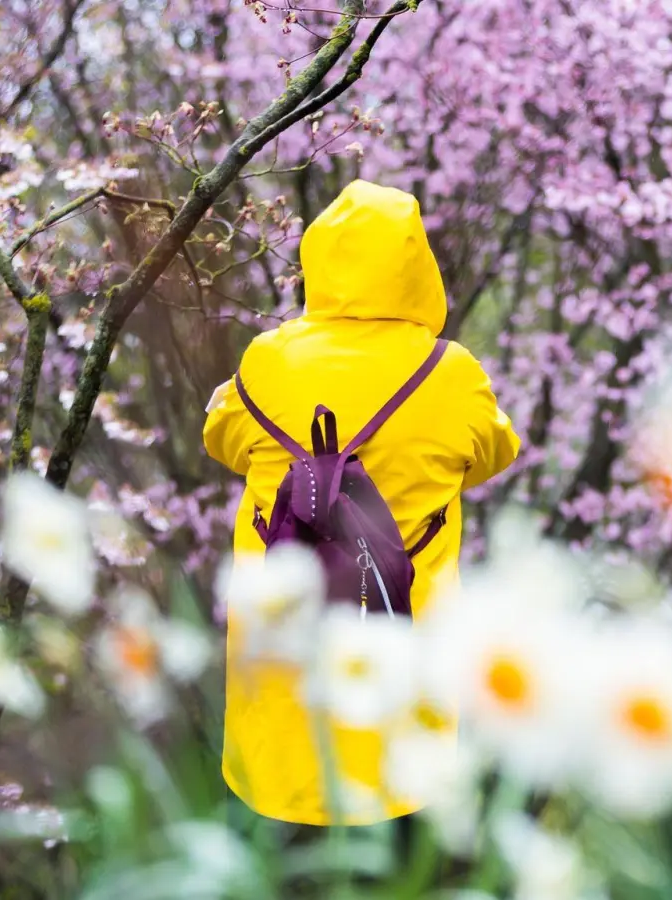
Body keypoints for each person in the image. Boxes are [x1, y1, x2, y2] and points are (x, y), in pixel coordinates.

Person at [202, 180, 521, 833]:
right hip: (404, 681)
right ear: (416, 267)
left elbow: (222, 439)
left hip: (283, 683)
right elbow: (494, 454)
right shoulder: (451, 372)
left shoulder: (269, 360)